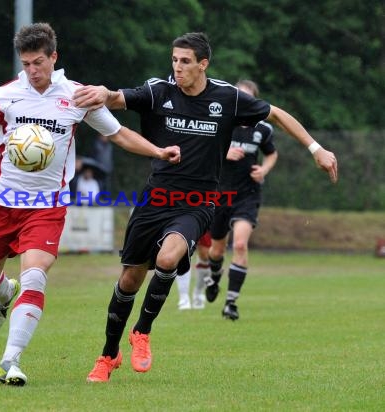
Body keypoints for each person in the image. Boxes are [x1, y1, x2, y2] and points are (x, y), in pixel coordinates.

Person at [0, 22, 180, 387]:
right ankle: (3, 295)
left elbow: (117, 134)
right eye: (26, 64)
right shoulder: (3, 96)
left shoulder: (75, 95)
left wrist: (158, 151)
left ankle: (10, 360)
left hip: (47, 205)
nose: (32, 71)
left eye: (38, 62)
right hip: (1, 202)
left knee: (36, 276)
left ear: (54, 57)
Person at [73, 31, 338, 382]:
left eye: (185, 61)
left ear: (202, 64)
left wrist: (315, 149)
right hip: (156, 198)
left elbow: (276, 114)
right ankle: (108, 355)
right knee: (129, 279)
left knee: (168, 259)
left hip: (198, 202)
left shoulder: (227, 97)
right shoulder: (159, 91)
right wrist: (104, 93)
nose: (177, 68)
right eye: (174, 60)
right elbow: (119, 98)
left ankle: (142, 332)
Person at [202, 79, 278, 320]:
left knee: (241, 244)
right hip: (220, 193)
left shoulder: (262, 129)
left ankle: (231, 303)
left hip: (247, 194)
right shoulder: (220, 123)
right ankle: (214, 278)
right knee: (216, 250)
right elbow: (201, 149)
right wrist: (224, 152)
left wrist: (264, 170)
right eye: (239, 97)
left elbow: (272, 154)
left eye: (247, 98)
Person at [176, 230, 211, 310]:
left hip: (202, 218)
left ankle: (198, 293)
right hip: (182, 219)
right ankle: (184, 298)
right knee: (183, 251)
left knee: (206, 255)